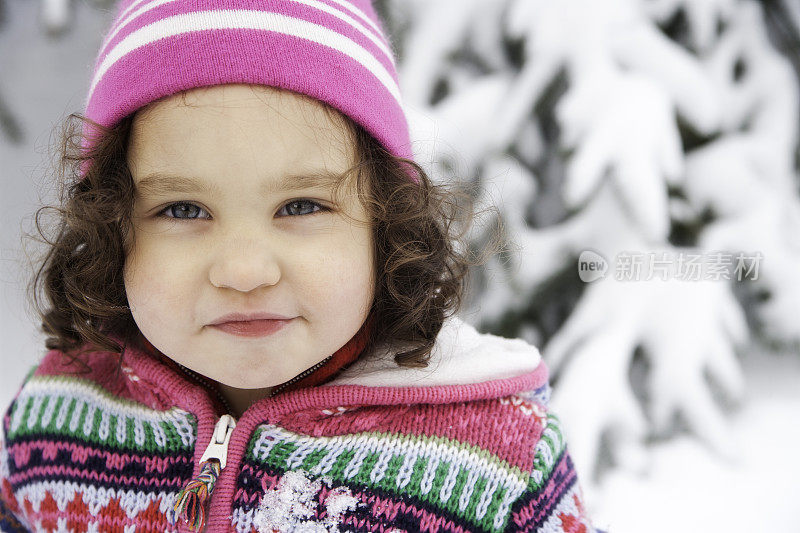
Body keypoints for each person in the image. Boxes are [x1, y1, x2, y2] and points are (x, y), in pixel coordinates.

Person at [0, 1, 605, 531]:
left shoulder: (497, 467)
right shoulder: (56, 421)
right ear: (114, 226)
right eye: (183, 208)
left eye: (301, 205)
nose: (243, 270)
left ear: (385, 225)